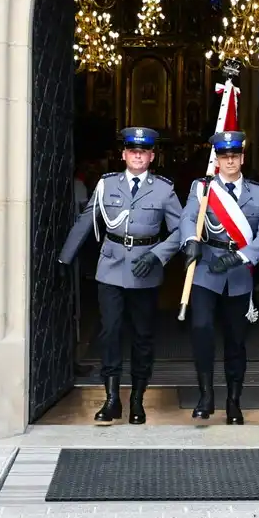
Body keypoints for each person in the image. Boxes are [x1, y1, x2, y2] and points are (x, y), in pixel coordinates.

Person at [58, 127, 182, 426]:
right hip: (111, 267)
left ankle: (138, 399)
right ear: (124, 154)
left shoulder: (164, 189)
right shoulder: (106, 184)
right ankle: (112, 399)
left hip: (145, 269)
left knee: (142, 336)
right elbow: (86, 220)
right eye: (132, 151)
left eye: (143, 152)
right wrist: (65, 257)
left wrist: (157, 255)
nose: (137, 155)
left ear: (152, 156)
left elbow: (181, 229)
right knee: (110, 333)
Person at [180, 131, 259, 425]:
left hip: (238, 271)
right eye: (225, 156)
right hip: (207, 268)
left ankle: (233, 402)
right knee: (201, 329)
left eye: (235, 156)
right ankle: (206, 395)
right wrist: (190, 241)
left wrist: (241, 256)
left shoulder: (258, 193)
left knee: (236, 340)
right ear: (217, 160)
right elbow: (188, 217)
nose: (230, 160)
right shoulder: (203, 188)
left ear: (242, 158)